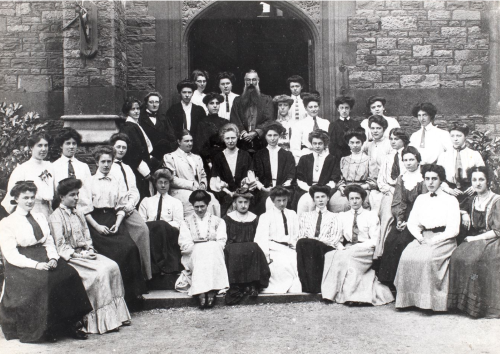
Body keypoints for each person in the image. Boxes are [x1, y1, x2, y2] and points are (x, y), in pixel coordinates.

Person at [0, 181, 92, 342]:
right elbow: (11, 254)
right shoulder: (7, 223)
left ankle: (71, 323)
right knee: (44, 283)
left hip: (44, 255)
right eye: (25, 198)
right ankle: (47, 329)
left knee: (69, 274)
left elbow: (48, 240)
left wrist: (53, 258)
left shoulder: (40, 216)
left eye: (32, 197)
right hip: (22, 263)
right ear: (16, 198)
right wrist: (36, 265)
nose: (29, 201)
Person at [49, 178, 131, 334]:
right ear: (62, 197)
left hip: (86, 254)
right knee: (99, 273)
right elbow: (60, 246)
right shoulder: (56, 217)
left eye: (77, 194)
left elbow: (87, 236)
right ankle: (98, 321)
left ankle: (116, 316)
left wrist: (89, 249)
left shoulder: (79, 213)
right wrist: (78, 255)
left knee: (112, 266)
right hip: (72, 258)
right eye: (72, 195)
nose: (76, 198)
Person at [85, 145, 148, 303]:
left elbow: (121, 206)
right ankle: (113, 296)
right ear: (97, 162)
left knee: (130, 248)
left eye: (109, 161)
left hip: (114, 219)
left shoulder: (117, 181)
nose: (106, 165)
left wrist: (118, 223)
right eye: (103, 162)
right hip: (96, 221)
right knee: (112, 253)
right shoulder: (89, 182)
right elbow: (85, 210)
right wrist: (97, 227)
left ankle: (133, 295)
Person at [394, 164, 460, 311]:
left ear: (441, 180)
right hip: (423, 237)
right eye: (427, 179)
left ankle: (429, 303)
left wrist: (434, 240)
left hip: (444, 239)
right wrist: (420, 237)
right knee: (406, 256)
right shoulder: (421, 199)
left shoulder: (450, 200)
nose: (430, 182)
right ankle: (408, 300)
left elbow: (453, 230)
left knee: (427, 258)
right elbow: (412, 223)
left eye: (434, 179)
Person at [322, 185, 394, 305]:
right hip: (348, 248)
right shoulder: (342, 216)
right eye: (351, 199)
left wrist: (356, 247)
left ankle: (352, 296)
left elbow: (375, 240)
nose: (354, 201)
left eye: (357, 198)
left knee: (350, 257)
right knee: (330, 255)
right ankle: (330, 293)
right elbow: (338, 238)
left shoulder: (370, 215)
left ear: (363, 199)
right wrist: (341, 247)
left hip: (365, 249)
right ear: (348, 200)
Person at [448, 166, 500, 318]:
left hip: (493, 239)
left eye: (481, 180)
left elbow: (497, 230)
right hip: (476, 239)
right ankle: (462, 306)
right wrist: (464, 213)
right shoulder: (472, 199)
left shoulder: (496, 200)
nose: (477, 183)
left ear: (488, 181)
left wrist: (474, 238)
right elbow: (457, 207)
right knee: (457, 256)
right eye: (474, 180)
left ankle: (480, 307)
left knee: (476, 260)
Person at [378, 146, 427, 285]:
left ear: (418, 160)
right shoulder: (402, 178)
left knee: (402, 241)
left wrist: (410, 222)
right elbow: (398, 201)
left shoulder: (424, 177)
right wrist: (399, 219)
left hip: (419, 216)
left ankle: (401, 282)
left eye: (412, 159)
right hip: (404, 215)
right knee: (390, 239)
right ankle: (388, 281)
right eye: (405, 160)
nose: (408, 163)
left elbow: (424, 203)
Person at [109, 133, 153, 281]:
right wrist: (121, 207)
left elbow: (134, 190)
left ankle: (144, 277)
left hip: (129, 208)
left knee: (142, 230)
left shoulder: (127, 168)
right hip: (113, 209)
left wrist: (130, 205)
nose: (121, 150)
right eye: (118, 147)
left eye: (124, 147)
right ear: (112, 147)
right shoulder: (107, 166)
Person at [175, 190, 229, 309]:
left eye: (202, 206)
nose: (199, 210)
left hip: (213, 256)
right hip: (193, 256)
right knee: (201, 250)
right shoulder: (185, 222)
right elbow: (185, 243)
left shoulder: (219, 221)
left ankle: (210, 290)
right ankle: (201, 291)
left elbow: (221, 242)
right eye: (196, 207)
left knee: (212, 248)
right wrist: (200, 247)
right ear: (192, 206)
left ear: (207, 205)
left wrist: (208, 247)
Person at [223, 189, 270, 304]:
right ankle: (237, 286)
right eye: (240, 202)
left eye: (246, 202)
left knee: (253, 247)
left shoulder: (254, 218)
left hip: (250, 252)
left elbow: (260, 237)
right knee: (234, 250)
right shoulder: (227, 219)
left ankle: (252, 285)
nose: (243, 205)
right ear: (234, 203)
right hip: (233, 251)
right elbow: (222, 238)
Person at [255, 186, 301, 294]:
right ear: (273, 201)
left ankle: (293, 289)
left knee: (296, 263)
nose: (282, 203)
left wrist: (294, 246)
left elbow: (295, 234)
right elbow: (261, 238)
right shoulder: (266, 216)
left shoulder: (292, 214)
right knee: (282, 264)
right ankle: (280, 289)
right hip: (273, 248)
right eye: (278, 200)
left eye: (284, 200)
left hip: (289, 248)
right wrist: (266, 256)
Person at [296, 185, 342, 293]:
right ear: (313, 199)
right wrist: (312, 242)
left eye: (323, 196)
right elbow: (302, 234)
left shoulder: (335, 217)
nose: (320, 200)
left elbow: (334, 238)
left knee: (310, 245)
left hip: (325, 247)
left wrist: (316, 242)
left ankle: (314, 286)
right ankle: (307, 286)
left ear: (328, 198)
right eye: (317, 197)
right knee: (302, 243)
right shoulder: (305, 216)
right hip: (308, 245)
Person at [164, 129, 221, 217]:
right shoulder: (171, 157)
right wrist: (191, 185)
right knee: (195, 200)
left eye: (191, 141)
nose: (190, 143)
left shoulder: (197, 158)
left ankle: (211, 227)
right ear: (179, 142)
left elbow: (203, 175)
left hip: (198, 190)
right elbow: (171, 179)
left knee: (212, 198)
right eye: (186, 141)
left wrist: (202, 184)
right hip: (180, 191)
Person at [139, 169, 183, 276]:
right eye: (160, 182)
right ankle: (155, 269)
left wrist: (162, 225)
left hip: (169, 234)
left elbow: (178, 223)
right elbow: (141, 222)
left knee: (161, 225)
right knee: (157, 226)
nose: (163, 185)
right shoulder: (146, 201)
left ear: (169, 184)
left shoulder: (176, 202)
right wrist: (156, 226)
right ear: (155, 184)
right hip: (150, 233)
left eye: (166, 182)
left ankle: (165, 266)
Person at [375, 128, 410, 258]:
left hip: (405, 190)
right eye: (391, 139)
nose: (393, 141)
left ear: (404, 140)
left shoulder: (408, 156)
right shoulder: (388, 158)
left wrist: (399, 191)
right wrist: (389, 190)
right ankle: (381, 252)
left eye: (396, 139)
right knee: (386, 216)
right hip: (390, 190)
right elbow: (381, 180)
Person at [2, 132, 54, 218]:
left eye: (46, 145)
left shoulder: (50, 166)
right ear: (31, 148)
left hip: (47, 210)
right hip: (30, 212)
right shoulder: (22, 169)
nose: (44, 149)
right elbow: (12, 196)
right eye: (39, 145)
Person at [119, 97, 161, 200]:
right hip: (139, 170)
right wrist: (146, 174)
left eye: (138, 108)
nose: (136, 111)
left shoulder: (135, 125)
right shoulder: (129, 127)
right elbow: (134, 153)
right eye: (133, 109)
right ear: (127, 111)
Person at [209, 123, 255, 216]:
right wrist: (229, 193)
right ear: (223, 139)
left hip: (244, 194)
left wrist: (241, 191)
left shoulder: (245, 155)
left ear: (237, 137)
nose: (230, 141)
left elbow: (250, 177)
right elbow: (215, 180)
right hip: (225, 195)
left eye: (233, 138)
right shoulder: (218, 157)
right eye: (227, 138)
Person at [252, 121, 296, 215]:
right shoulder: (259, 155)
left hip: (283, 189)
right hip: (264, 190)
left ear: (279, 136)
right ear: (265, 136)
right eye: (269, 135)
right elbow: (255, 175)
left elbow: (291, 175)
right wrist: (263, 188)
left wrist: (280, 188)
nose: (272, 139)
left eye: (275, 135)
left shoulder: (287, 155)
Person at [329, 128, 376, 212]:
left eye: (358, 142)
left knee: (357, 203)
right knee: (334, 202)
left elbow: (373, 181)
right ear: (348, 143)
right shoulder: (344, 160)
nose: (355, 145)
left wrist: (360, 188)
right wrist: (341, 187)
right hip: (345, 189)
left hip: (362, 188)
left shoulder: (369, 160)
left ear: (362, 143)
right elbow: (340, 178)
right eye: (352, 142)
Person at [294, 129, 341, 215]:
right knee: (306, 201)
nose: (317, 146)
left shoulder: (332, 159)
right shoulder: (304, 159)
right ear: (311, 144)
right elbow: (299, 179)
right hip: (306, 188)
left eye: (320, 143)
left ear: (325, 144)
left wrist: (322, 190)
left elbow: (334, 179)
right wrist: (310, 189)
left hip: (326, 190)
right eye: (314, 143)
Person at [438, 122, 484, 207]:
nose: (455, 139)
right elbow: (438, 176)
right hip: (450, 191)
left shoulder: (475, 154)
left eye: (459, 136)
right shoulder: (443, 156)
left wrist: (474, 187)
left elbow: (483, 174)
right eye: (452, 136)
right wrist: (448, 189)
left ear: (465, 136)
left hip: (470, 192)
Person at [230, 70, 274, 153]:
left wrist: (256, 132)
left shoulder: (267, 99)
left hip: (261, 142)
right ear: (244, 81)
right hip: (242, 143)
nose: (251, 83)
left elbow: (269, 119)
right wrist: (244, 133)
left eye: (254, 80)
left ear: (258, 80)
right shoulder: (237, 101)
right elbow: (234, 119)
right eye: (248, 80)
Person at [52, 128, 92, 213]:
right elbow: (54, 192)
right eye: (68, 143)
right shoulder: (53, 167)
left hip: (82, 212)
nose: (71, 146)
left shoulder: (83, 167)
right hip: (61, 212)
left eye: (74, 143)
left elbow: (88, 193)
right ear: (61, 145)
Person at [362, 115, 392, 215]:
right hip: (371, 181)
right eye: (372, 128)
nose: (375, 131)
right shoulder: (368, 145)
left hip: (385, 182)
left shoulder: (389, 144)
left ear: (384, 129)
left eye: (378, 128)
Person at [290, 94, 330, 163]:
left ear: (319, 107)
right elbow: (295, 148)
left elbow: (329, 144)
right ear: (306, 108)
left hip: (324, 156)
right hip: (306, 156)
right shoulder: (299, 125)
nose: (313, 109)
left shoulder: (326, 123)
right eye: (310, 107)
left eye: (315, 106)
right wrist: (300, 162)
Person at [195, 92, 228, 171]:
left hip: (225, 157)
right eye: (211, 103)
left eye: (217, 103)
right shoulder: (202, 123)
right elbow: (201, 145)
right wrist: (208, 161)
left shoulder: (225, 122)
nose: (215, 105)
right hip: (209, 160)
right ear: (207, 105)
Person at [138, 91, 177, 161]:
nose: (154, 105)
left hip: (163, 156)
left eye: (157, 102)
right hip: (147, 157)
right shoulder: (140, 119)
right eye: (151, 102)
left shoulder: (164, 119)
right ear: (146, 104)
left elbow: (172, 137)